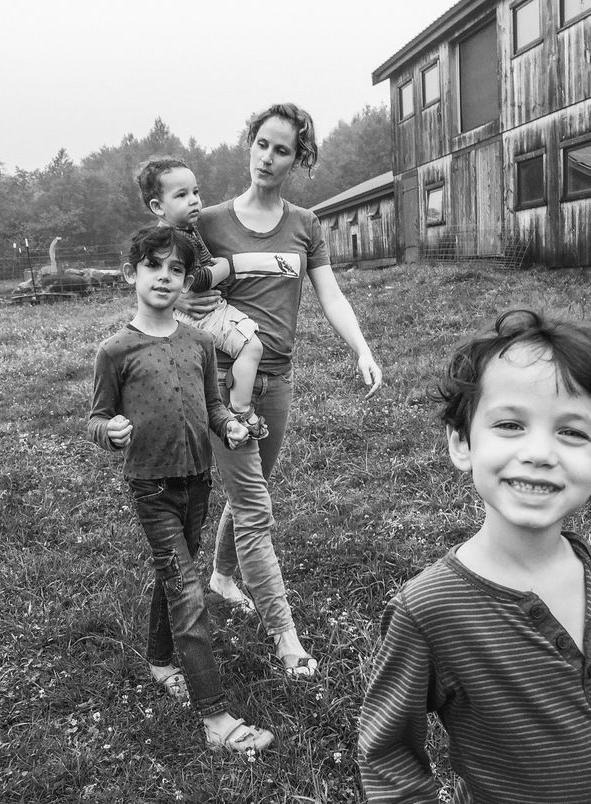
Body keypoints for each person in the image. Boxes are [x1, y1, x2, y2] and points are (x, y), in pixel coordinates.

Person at [358, 310, 591, 803]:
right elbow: (390, 760)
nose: (539, 452)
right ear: (462, 443)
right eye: (510, 424)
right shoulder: (429, 611)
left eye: (572, 433)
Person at [176, 102, 383, 678]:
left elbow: (331, 295)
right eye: (261, 144)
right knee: (254, 508)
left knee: (252, 488)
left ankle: (221, 577)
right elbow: (164, 274)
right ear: (249, 145)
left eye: (282, 149)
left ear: (299, 158)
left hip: (278, 379)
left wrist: (361, 348)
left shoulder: (305, 224)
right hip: (221, 383)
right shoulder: (208, 222)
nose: (268, 158)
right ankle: (286, 637)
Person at [87, 225, 273, 756]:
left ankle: (160, 661)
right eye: (154, 267)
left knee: (175, 575)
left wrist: (231, 426)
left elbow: (214, 406)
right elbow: (96, 418)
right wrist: (109, 431)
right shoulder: (115, 350)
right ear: (132, 273)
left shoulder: (201, 342)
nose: (165, 278)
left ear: (188, 279)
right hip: (151, 485)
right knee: (188, 590)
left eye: (176, 270)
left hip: (198, 481)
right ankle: (215, 716)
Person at [136, 156, 269, 439]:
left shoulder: (185, 231)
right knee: (252, 347)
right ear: (158, 207)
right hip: (203, 312)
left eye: (195, 192)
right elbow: (197, 280)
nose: (194, 200)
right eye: (182, 195)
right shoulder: (174, 240)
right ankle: (241, 409)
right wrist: (225, 266)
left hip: (196, 310)